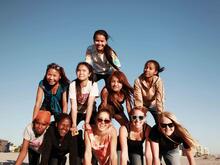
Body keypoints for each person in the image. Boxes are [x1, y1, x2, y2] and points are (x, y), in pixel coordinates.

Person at [69, 62, 99, 135]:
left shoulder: (93, 84)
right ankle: (76, 139)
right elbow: (73, 105)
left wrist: (87, 122)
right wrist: (74, 124)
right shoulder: (73, 84)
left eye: (84, 70)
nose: (81, 72)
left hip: (90, 111)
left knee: (91, 130)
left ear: (89, 74)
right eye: (79, 70)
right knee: (70, 129)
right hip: (77, 111)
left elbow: (90, 104)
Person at [134, 59, 165, 123]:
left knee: (160, 120)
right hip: (142, 103)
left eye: (150, 68)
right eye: (146, 67)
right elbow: (138, 99)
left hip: (153, 104)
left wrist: (161, 114)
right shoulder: (138, 81)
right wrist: (139, 113)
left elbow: (160, 99)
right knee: (138, 119)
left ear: (155, 72)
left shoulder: (159, 81)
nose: (147, 70)